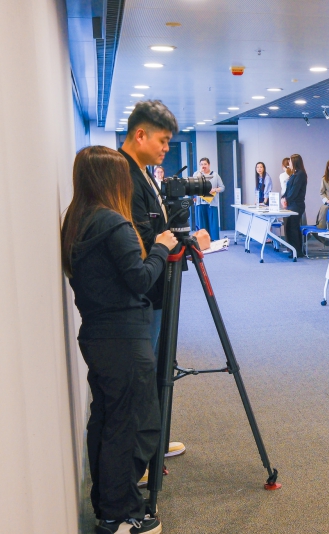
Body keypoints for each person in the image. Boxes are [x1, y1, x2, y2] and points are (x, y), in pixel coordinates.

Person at [61, 146, 178, 534]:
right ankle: (120, 515)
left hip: (98, 334)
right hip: (124, 338)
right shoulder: (113, 223)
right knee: (130, 425)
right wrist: (161, 247)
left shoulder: (77, 220)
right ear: (112, 180)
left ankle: (109, 505)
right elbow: (141, 279)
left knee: (108, 421)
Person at [120, 100, 186, 462]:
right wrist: (166, 242)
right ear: (141, 134)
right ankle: (141, 459)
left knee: (157, 367)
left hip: (158, 287)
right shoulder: (124, 176)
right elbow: (142, 238)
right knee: (143, 377)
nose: (166, 149)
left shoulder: (143, 172)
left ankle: (154, 443)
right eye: (162, 141)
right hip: (144, 290)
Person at [193, 157, 225, 240]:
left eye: (205, 164)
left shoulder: (215, 175)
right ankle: (203, 240)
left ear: (209, 165)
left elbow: (222, 187)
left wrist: (215, 189)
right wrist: (200, 172)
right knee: (202, 224)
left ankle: (214, 240)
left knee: (213, 224)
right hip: (200, 203)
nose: (203, 166)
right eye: (201, 164)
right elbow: (194, 184)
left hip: (211, 203)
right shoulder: (196, 174)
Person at [281, 154, 307, 255]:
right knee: (290, 227)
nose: (289, 163)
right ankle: (293, 249)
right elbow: (288, 190)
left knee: (293, 227)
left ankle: (297, 251)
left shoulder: (300, 174)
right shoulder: (294, 174)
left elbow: (294, 191)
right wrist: (283, 197)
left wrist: (286, 199)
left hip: (297, 205)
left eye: (290, 161)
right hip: (291, 204)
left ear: (295, 162)